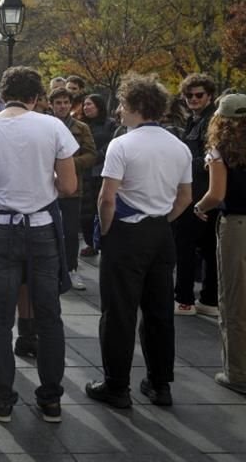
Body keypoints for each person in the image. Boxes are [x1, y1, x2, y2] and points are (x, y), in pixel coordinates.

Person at [0, 66, 78, 424]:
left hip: (1, 228)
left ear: (2, 94)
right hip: (42, 228)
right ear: (36, 97)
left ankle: (2, 400)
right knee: (49, 317)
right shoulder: (53, 126)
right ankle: (51, 400)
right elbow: (70, 187)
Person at [85, 74, 193, 409]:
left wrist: (105, 230)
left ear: (136, 106)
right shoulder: (179, 145)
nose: (118, 110)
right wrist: (160, 220)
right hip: (161, 233)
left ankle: (117, 386)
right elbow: (185, 197)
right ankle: (160, 384)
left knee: (119, 311)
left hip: (126, 233)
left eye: (122, 104)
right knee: (159, 311)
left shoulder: (122, 144)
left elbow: (107, 198)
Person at [193, 93, 246, 395]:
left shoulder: (220, 149)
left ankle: (238, 372)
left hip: (237, 225)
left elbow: (216, 193)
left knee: (235, 301)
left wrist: (199, 208)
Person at [174, 73, 219, 316]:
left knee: (190, 247)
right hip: (200, 190)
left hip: (201, 192)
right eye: (189, 95)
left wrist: (182, 163)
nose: (193, 99)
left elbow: (212, 158)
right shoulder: (195, 120)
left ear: (209, 95)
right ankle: (207, 299)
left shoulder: (211, 121)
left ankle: (186, 299)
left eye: (198, 95)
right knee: (206, 248)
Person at [48, 88, 97, 291]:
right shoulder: (44, 125)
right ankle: (51, 269)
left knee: (70, 231)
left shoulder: (81, 127)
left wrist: (68, 164)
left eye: (66, 102)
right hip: (47, 186)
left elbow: (92, 155)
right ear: (51, 104)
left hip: (72, 187)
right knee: (48, 230)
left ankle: (70, 269)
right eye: (58, 102)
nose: (62, 106)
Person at [79, 94, 117, 257]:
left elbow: (113, 144)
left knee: (100, 208)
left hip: (102, 171)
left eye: (90, 105)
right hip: (85, 172)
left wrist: (98, 156)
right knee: (86, 213)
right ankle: (91, 242)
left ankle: (102, 241)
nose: (86, 108)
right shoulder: (81, 125)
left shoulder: (110, 124)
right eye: (85, 105)